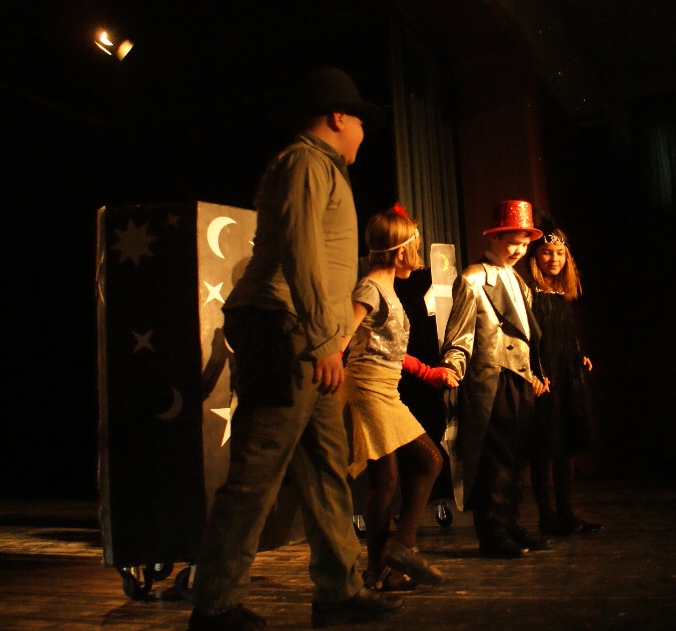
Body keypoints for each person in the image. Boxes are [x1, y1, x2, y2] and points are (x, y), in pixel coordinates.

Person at [188, 68, 401, 630]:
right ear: (337, 116)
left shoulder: (323, 168)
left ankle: (339, 590)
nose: (363, 132)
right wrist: (322, 340)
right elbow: (301, 253)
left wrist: (326, 339)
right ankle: (215, 604)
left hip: (308, 337)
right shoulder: (305, 162)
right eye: (359, 121)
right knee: (258, 469)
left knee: (327, 467)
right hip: (287, 332)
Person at [342, 205, 458, 591]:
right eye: (416, 247)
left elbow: (388, 348)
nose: (419, 255)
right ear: (402, 251)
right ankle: (399, 550)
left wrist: (427, 372)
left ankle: (379, 571)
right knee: (427, 460)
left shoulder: (387, 288)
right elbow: (342, 338)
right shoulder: (369, 289)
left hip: (385, 387)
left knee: (387, 479)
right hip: (369, 388)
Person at [440, 200, 551, 559]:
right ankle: (492, 532)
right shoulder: (474, 278)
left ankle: (510, 523)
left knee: (518, 457)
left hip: (519, 379)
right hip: (492, 377)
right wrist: (453, 367)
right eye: (513, 242)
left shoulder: (518, 280)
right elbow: (460, 333)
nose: (519, 250)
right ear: (494, 237)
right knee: (496, 458)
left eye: (524, 243)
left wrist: (535, 373)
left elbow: (528, 336)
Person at [523, 219, 602, 536]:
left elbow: (563, 333)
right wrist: (532, 372)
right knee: (544, 448)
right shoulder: (529, 293)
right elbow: (529, 338)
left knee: (565, 445)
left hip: (566, 375)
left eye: (559, 253)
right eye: (547, 252)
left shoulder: (560, 292)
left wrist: (577, 354)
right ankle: (547, 517)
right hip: (544, 379)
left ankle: (566, 514)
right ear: (535, 256)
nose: (554, 259)